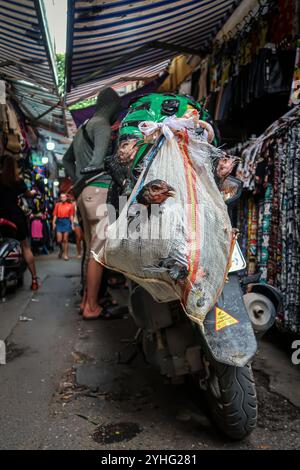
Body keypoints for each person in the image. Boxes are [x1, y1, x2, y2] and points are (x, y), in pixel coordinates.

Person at [63, 87, 121, 320]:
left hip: (84, 194)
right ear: (111, 106)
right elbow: (98, 161)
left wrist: (78, 180)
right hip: (100, 191)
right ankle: (92, 307)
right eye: (117, 108)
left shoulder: (81, 129)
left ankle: (87, 301)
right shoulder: (102, 126)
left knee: (90, 252)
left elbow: (67, 160)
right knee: (98, 253)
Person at [0, 156, 38, 290]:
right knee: (25, 247)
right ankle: (34, 280)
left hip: (2, 216)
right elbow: (28, 194)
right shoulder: (18, 181)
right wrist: (33, 192)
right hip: (16, 216)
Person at [52, 193, 75, 261]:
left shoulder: (70, 205)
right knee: (59, 240)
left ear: (66, 198)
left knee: (65, 240)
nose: (63, 198)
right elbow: (55, 215)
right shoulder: (57, 205)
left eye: (64, 197)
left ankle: (65, 254)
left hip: (66, 222)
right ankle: (61, 250)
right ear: (60, 198)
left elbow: (71, 216)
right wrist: (53, 223)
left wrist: (72, 224)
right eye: (61, 197)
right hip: (59, 222)